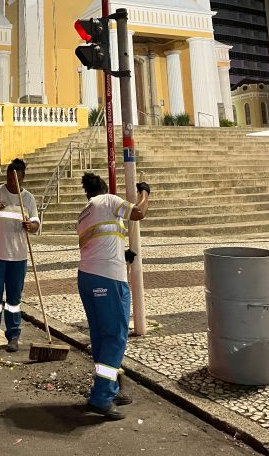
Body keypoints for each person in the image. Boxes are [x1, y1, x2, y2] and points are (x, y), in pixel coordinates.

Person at [77, 172, 151, 420]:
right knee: (116, 338)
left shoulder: (85, 212)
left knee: (101, 338)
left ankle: (109, 387)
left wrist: (122, 254)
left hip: (88, 278)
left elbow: (101, 242)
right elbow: (139, 213)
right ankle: (101, 397)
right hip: (108, 280)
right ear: (105, 189)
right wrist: (144, 192)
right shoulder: (108, 200)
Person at [0, 158, 39, 356]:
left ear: (23, 179)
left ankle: (13, 336)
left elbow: (37, 224)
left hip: (18, 257)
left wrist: (31, 226)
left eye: (17, 180)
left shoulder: (28, 199)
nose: (13, 183)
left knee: (14, 299)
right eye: (10, 179)